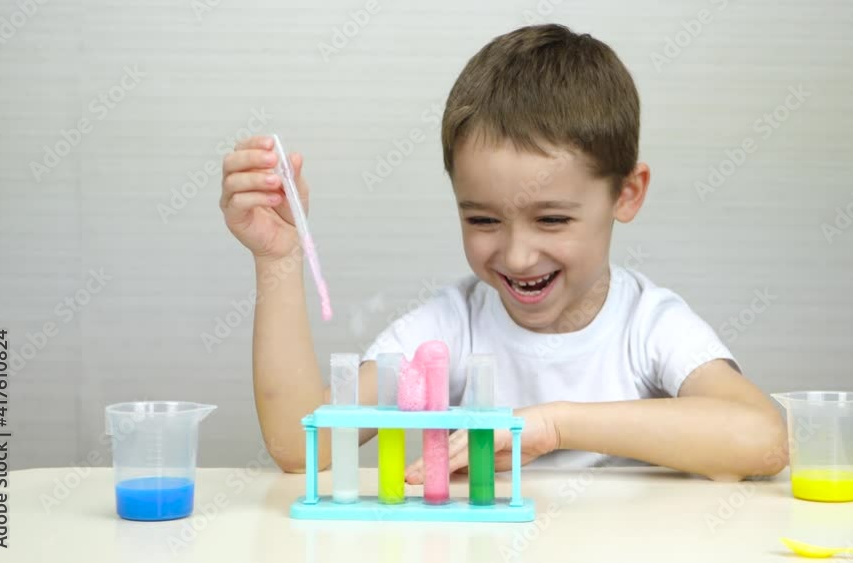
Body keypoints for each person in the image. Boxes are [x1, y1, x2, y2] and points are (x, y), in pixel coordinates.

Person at [219, 23, 787, 482]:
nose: (516, 257)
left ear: (626, 194)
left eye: (552, 219)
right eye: (483, 220)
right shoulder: (451, 329)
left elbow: (764, 440)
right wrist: (278, 259)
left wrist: (554, 426)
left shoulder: (648, 325)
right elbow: (302, 445)